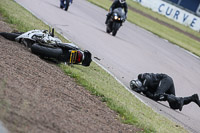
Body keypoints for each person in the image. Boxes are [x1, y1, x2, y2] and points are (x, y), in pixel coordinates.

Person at [0, 29, 92, 66]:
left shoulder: (75, 50)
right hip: (57, 48)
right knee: (56, 41)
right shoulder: (75, 49)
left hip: (58, 50)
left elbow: (65, 46)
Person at [130, 73, 200, 111]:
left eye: (135, 87)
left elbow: (148, 78)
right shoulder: (146, 91)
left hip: (165, 79)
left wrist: (143, 88)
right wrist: (165, 97)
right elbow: (153, 97)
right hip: (165, 85)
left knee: (157, 94)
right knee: (174, 105)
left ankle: (180, 99)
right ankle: (193, 98)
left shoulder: (142, 77)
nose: (137, 88)